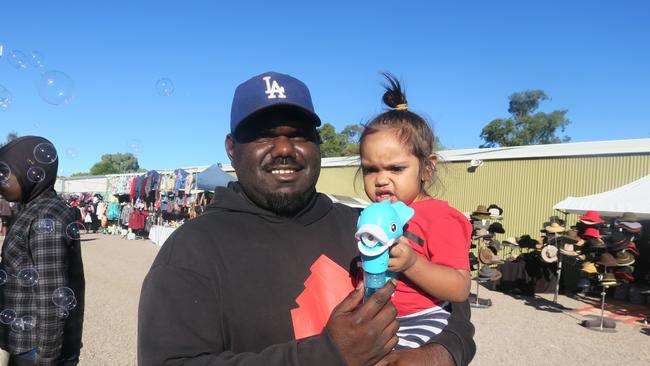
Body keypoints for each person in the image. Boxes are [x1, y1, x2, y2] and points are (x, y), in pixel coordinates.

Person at [138, 71, 475, 366]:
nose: (284, 147)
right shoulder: (191, 251)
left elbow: (451, 304)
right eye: (264, 134)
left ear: (317, 144)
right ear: (231, 147)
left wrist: (442, 353)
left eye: (298, 133)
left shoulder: (360, 224)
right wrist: (329, 356)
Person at [358, 74, 471, 349]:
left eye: (396, 169)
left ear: (427, 168)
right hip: (378, 314)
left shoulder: (439, 217)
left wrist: (412, 264)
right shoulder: (370, 215)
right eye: (370, 169)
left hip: (422, 320)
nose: (381, 179)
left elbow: (459, 288)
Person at [0, 136, 85, 366]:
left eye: (4, 174)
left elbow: (52, 295)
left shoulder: (46, 215)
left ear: (31, 171)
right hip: (26, 342)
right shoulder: (30, 209)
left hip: (37, 349)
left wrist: (47, 358)